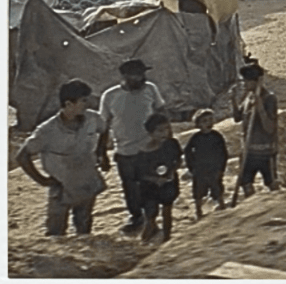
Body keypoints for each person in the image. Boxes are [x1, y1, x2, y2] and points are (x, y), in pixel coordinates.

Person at [16, 79, 107, 236]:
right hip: (62, 186)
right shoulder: (47, 130)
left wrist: (101, 152)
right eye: (83, 100)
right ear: (69, 104)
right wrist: (42, 180)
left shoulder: (92, 118)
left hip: (86, 180)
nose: (87, 104)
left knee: (84, 225)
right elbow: (22, 156)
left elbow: (104, 129)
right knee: (56, 232)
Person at [98, 59, 166, 234]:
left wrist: (166, 141)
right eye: (136, 75)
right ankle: (136, 217)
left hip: (149, 148)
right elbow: (104, 125)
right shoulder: (110, 96)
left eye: (142, 74)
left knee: (149, 185)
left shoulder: (150, 89)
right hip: (124, 150)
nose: (141, 78)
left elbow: (161, 113)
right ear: (125, 77)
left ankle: (151, 221)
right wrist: (101, 152)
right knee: (130, 186)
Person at [231, 62, 278, 204]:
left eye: (247, 81)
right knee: (246, 183)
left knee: (272, 184)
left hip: (265, 151)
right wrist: (233, 100)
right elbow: (237, 118)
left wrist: (260, 108)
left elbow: (270, 127)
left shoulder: (269, 98)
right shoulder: (248, 97)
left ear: (256, 81)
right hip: (248, 151)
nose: (244, 84)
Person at [134, 112, 182, 242]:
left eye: (167, 129)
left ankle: (167, 236)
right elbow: (139, 174)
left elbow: (177, 160)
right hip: (149, 187)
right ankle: (147, 236)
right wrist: (155, 179)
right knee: (150, 214)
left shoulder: (172, 144)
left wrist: (172, 172)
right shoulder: (143, 151)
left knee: (167, 210)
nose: (164, 133)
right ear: (150, 133)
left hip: (168, 183)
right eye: (160, 130)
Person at [183, 108, 228, 218]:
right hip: (200, 169)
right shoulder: (196, 138)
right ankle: (198, 211)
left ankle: (221, 206)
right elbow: (187, 152)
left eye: (210, 120)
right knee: (198, 191)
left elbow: (224, 153)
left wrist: (222, 168)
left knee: (217, 188)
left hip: (214, 168)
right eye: (204, 121)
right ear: (198, 124)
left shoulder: (217, 136)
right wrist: (191, 167)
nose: (208, 123)